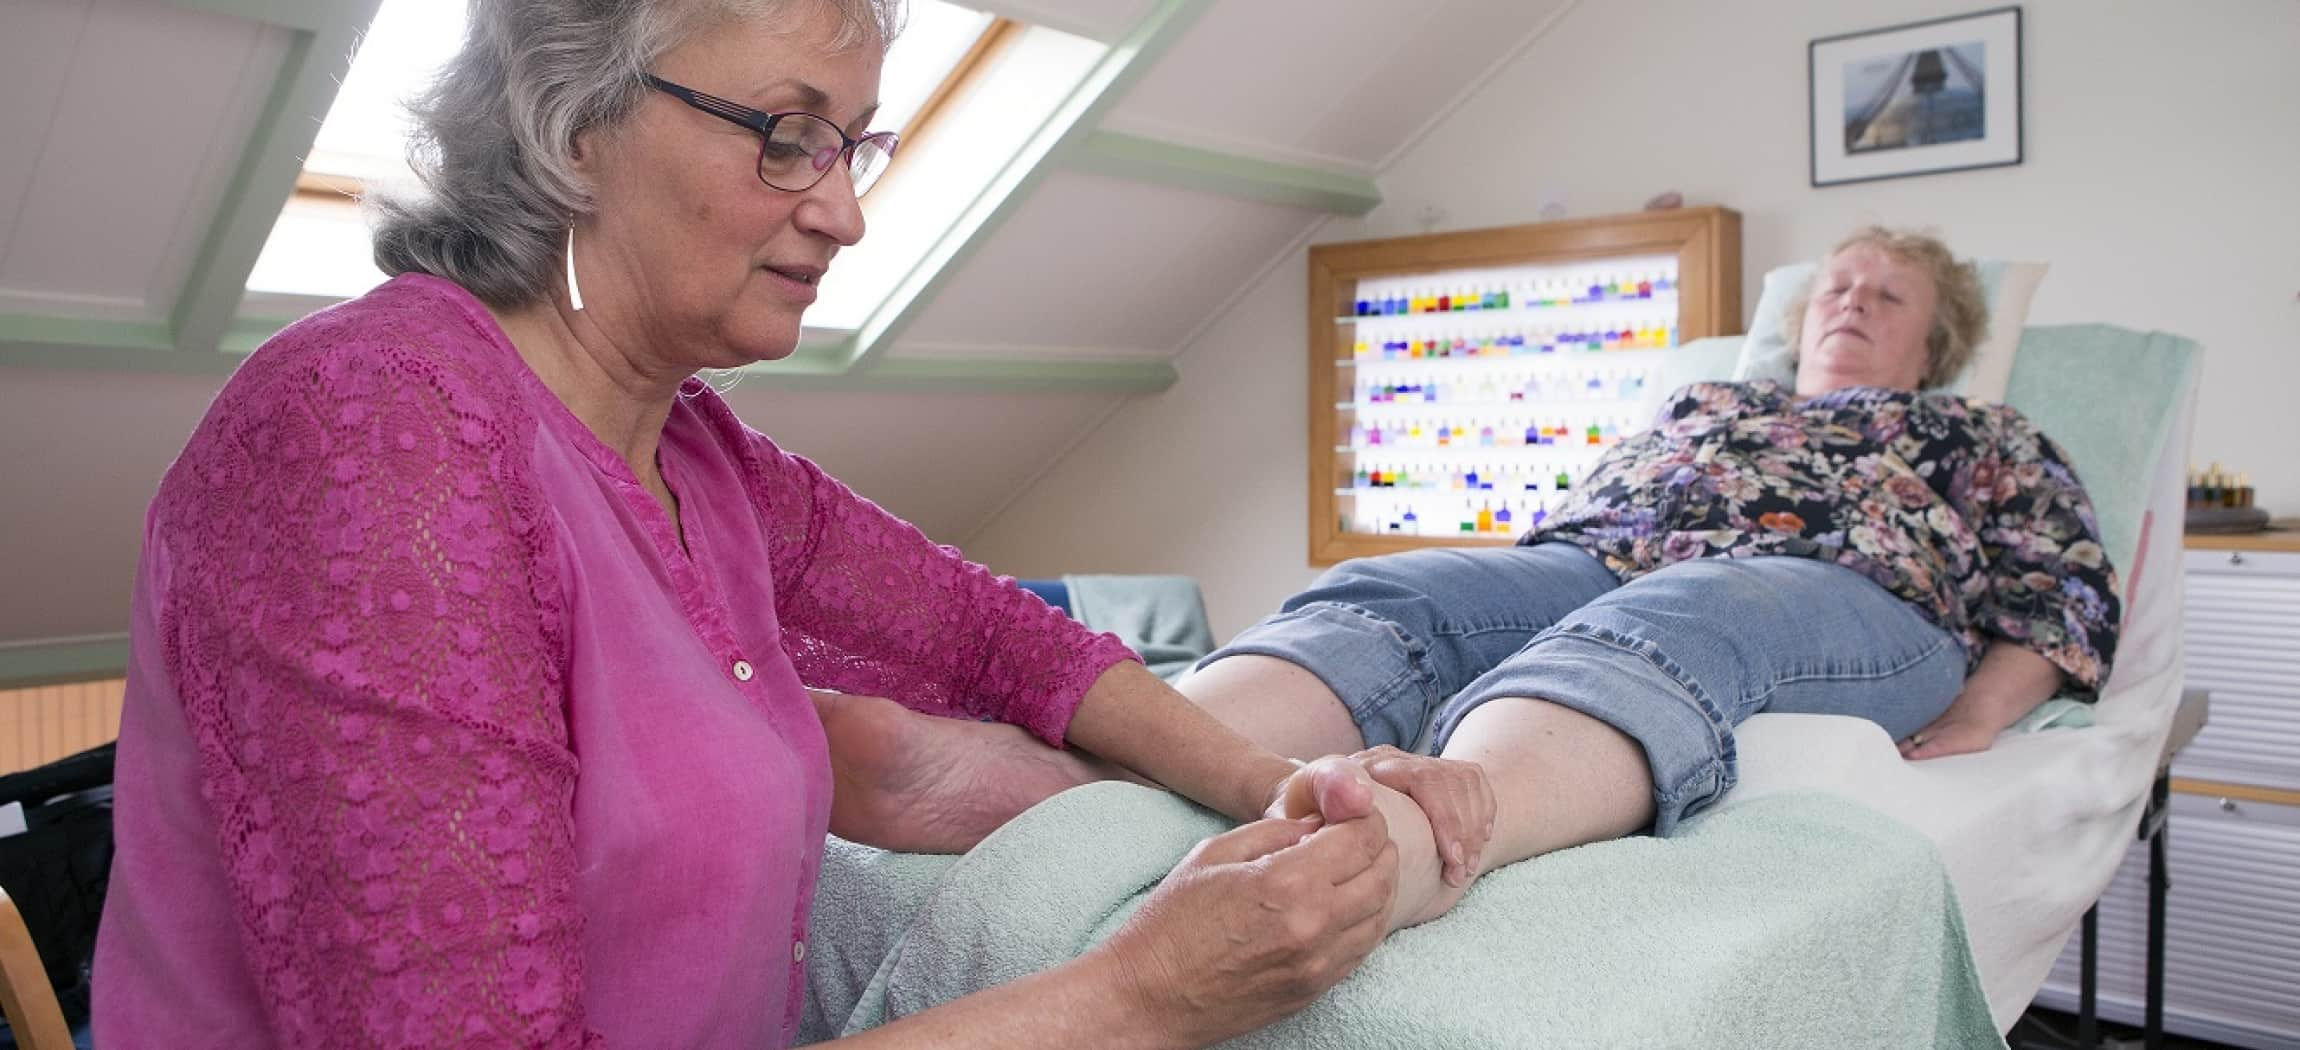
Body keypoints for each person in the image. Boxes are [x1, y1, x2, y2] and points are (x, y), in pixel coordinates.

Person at [91, 1, 1419, 1046]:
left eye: (856, 142)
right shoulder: (368, 440)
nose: (843, 210)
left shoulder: (695, 449)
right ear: (573, 120)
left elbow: (1002, 642)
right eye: (787, 131)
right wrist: (1142, 992)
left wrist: (1270, 785)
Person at [1181, 227, 2123, 929]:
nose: (1852, 303)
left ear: (1939, 341)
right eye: (1839, 286)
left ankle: (1427, 837)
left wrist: (1985, 708)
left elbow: (2063, 586)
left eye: (1887, 297)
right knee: (1410, 591)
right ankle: (1143, 760)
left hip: (1847, 589)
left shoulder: (1980, 434)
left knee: (1688, 609)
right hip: (1598, 556)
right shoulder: (1707, 398)